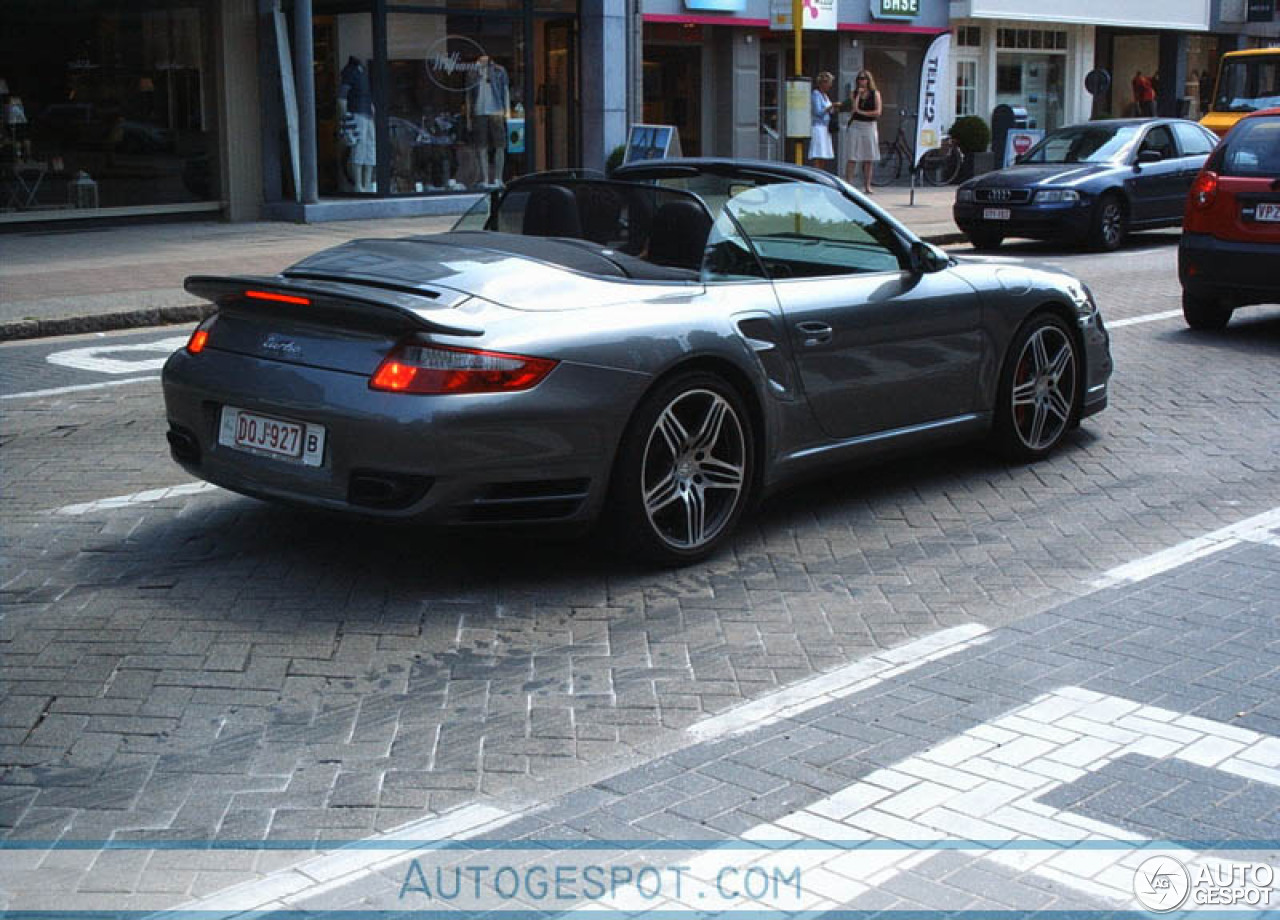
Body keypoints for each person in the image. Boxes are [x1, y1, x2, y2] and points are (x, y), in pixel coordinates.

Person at [467, 55, 509, 188]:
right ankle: (485, 179)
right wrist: (469, 117)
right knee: (482, 146)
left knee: (500, 145)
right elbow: (468, 96)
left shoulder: (499, 70)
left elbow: (505, 91)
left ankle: (499, 178)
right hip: (479, 111)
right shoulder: (473, 72)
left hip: (496, 111)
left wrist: (506, 112)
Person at [338, 56, 376, 192]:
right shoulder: (350, 71)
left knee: (370, 147)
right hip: (357, 112)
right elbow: (342, 97)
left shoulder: (362, 71)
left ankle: (367, 183)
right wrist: (346, 117)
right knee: (359, 147)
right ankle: (359, 184)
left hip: (366, 112)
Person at [841, 70, 882, 194]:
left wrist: (862, 112)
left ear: (869, 80)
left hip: (869, 125)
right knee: (852, 156)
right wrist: (858, 96)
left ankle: (867, 185)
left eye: (864, 78)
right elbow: (853, 110)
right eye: (859, 78)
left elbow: (878, 112)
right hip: (856, 125)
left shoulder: (875, 93)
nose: (861, 81)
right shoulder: (854, 93)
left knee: (868, 157)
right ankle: (849, 184)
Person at [808, 72, 836, 171]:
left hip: (826, 127)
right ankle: (816, 174)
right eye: (828, 83)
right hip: (818, 127)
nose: (830, 85)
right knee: (818, 154)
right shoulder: (816, 94)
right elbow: (817, 112)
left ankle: (821, 173)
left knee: (824, 154)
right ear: (822, 83)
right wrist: (830, 107)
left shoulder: (825, 95)